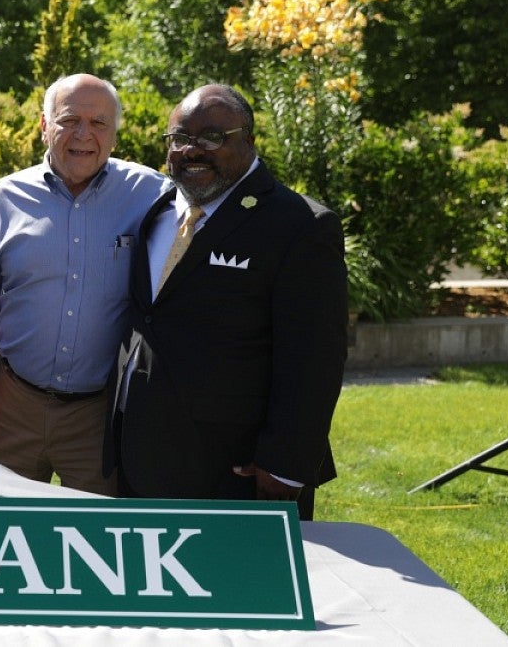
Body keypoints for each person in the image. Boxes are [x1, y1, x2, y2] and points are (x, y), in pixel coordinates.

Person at [104, 83, 348, 519]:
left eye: (213, 137)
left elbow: (314, 358)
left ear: (249, 140)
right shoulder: (157, 215)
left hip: (238, 473)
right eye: (180, 138)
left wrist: (287, 465)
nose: (193, 150)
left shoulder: (300, 227)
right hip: (142, 458)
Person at [0, 73, 169, 496]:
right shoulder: (4, 198)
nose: (83, 135)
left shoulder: (153, 196)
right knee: (2, 533)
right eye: (69, 120)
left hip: (98, 416)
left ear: (115, 133)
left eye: (99, 123)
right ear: (44, 126)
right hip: (13, 406)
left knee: (90, 543)